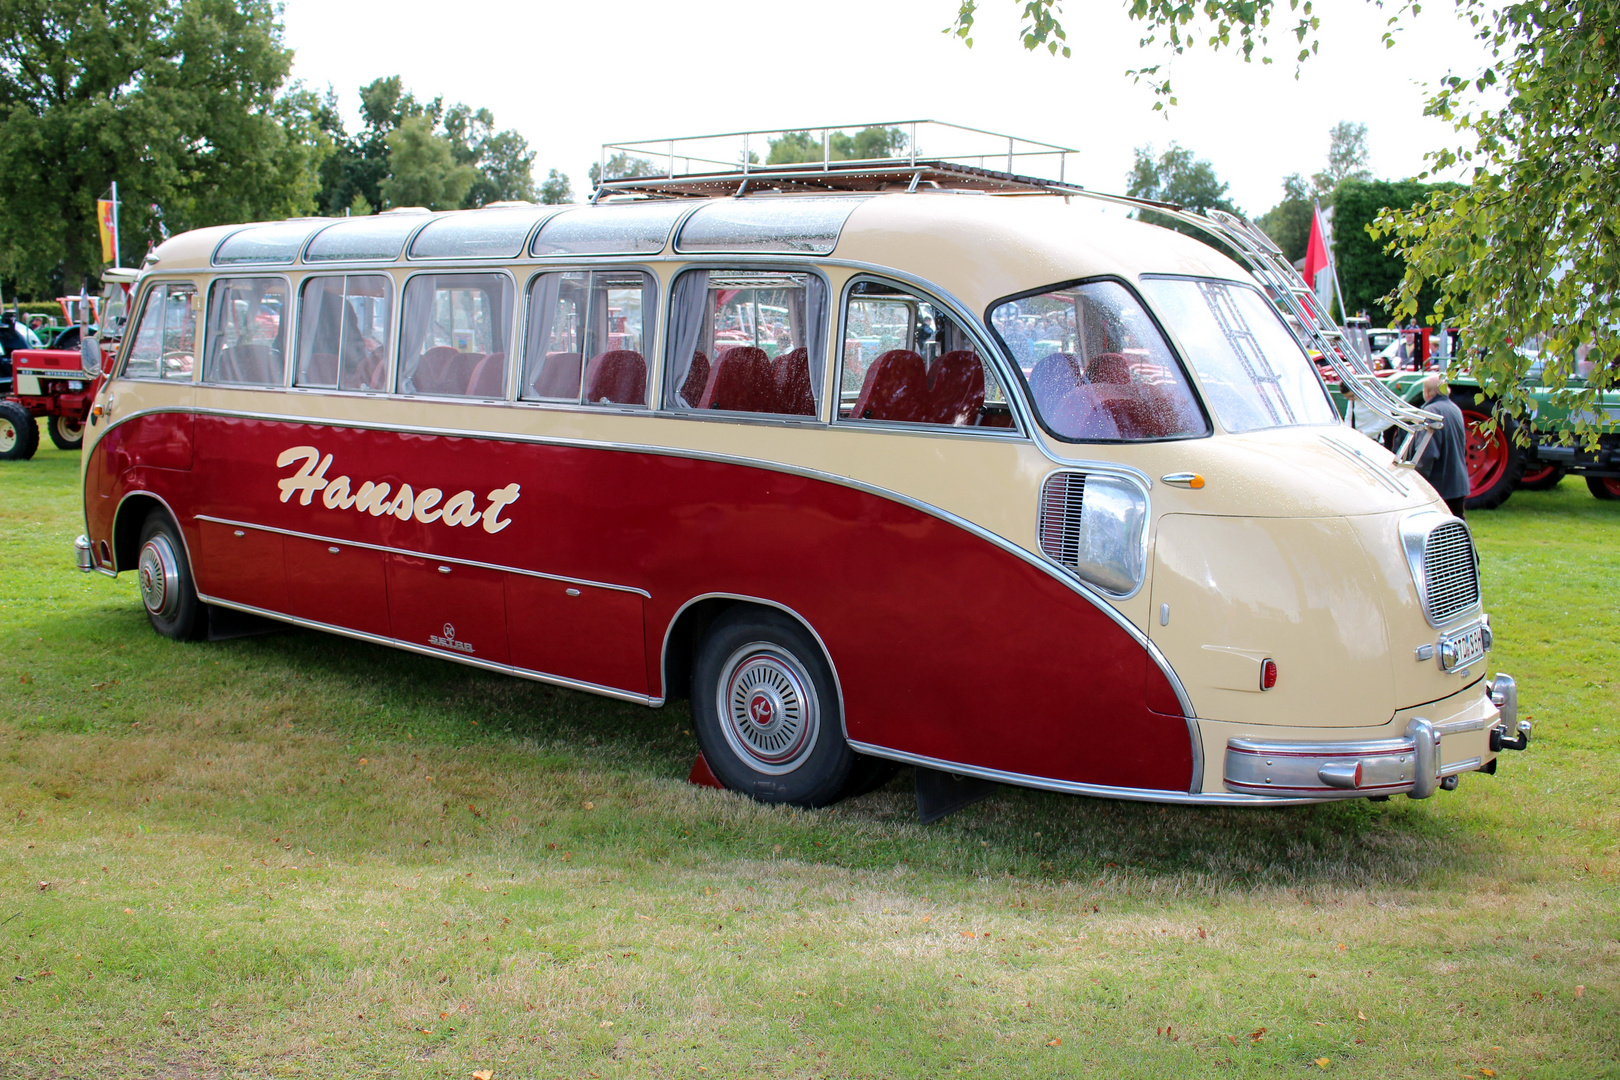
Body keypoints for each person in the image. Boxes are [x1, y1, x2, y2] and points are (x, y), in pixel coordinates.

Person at [1417, 372, 1469, 517]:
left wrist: (1417, 481)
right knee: (1457, 528)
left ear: (1427, 392)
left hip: (1440, 484)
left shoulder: (1430, 412)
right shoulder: (1455, 409)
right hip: (1458, 482)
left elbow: (1427, 452)